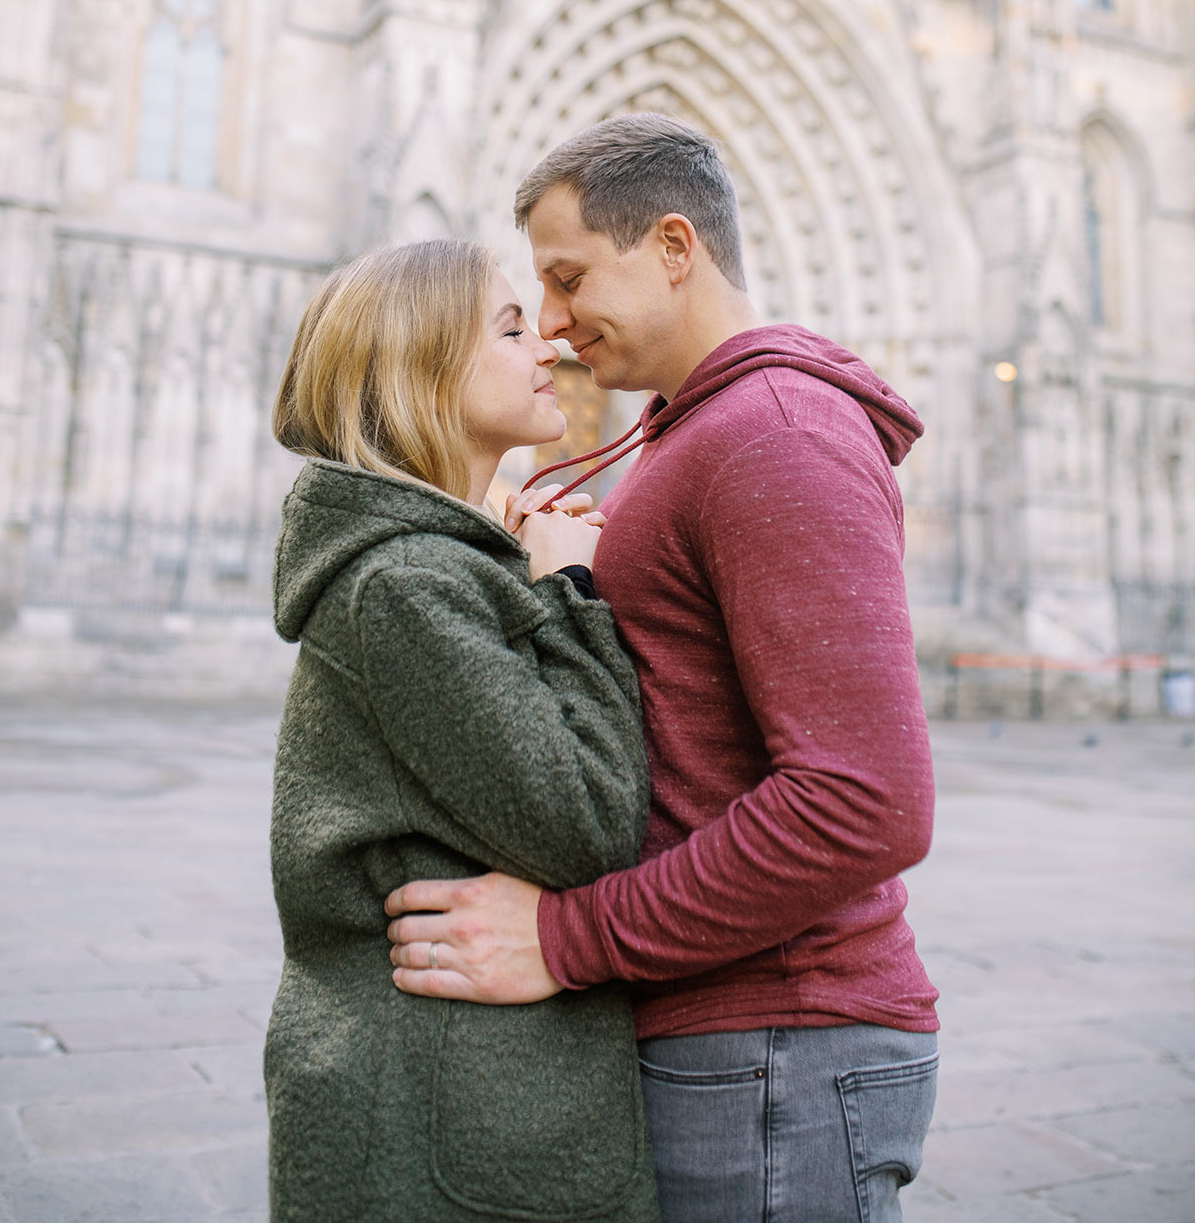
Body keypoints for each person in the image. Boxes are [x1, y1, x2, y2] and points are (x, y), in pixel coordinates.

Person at [385, 115, 940, 1223]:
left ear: (675, 248)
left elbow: (865, 804)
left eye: (569, 276)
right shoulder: (685, 437)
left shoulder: (775, 432)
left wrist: (564, 935)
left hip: (780, 1044)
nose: (549, 321)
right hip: (731, 1039)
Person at [264, 238, 661, 1223]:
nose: (550, 352)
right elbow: (589, 820)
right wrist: (569, 589)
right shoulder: (403, 585)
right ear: (424, 365)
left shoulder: (429, 569)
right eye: (512, 326)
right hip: (446, 1124)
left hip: (457, 1102)